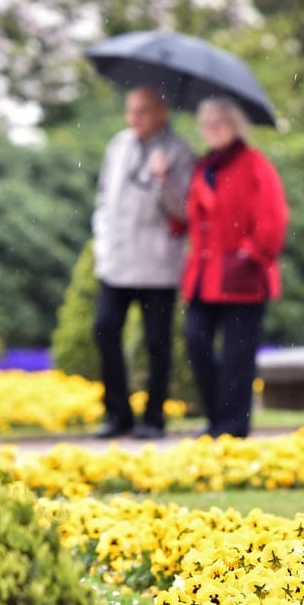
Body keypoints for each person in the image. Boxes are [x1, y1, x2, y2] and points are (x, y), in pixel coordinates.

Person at [92, 86, 196, 439]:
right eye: (130, 111)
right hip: (116, 262)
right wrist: (102, 244)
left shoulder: (179, 151)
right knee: (105, 329)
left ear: (161, 112)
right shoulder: (118, 145)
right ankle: (118, 414)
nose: (133, 118)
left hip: (157, 266)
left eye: (142, 111)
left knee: (156, 343)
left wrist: (165, 180)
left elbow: (185, 211)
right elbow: (105, 198)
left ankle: (154, 418)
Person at [182, 96, 289, 438]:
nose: (211, 130)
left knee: (237, 355)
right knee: (195, 339)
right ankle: (217, 418)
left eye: (219, 123)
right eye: (206, 124)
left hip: (242, 275)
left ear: (235, 126)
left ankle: (232, 425)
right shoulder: (204, 167)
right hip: (204, 274)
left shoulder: (254, 163)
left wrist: (252, 252)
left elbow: (274, 216)